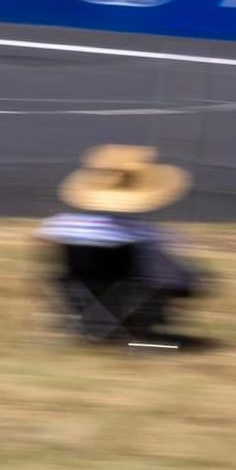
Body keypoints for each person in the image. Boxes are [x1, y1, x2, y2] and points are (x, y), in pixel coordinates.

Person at [37, 145, 205, 348]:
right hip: (129, 307)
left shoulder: (58, 227)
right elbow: (178, 281)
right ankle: (135, 332)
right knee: (185, 280)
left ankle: (89, 325)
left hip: (81, 301)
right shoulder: (149, 237)